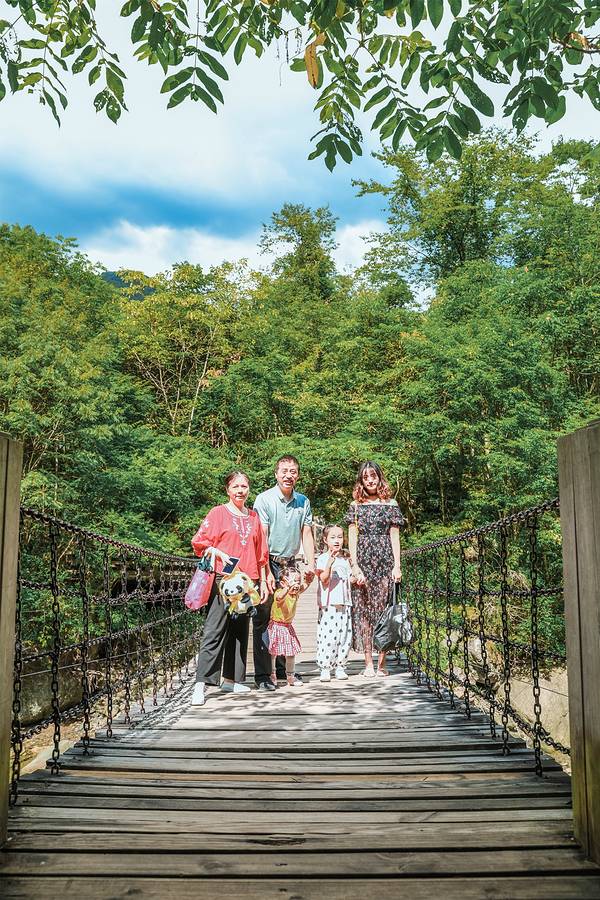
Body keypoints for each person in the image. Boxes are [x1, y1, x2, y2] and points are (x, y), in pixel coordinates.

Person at [189, 471, 269, 706]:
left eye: (244, 486)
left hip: (247, 581)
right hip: (223, 581)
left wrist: (264, 581)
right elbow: (200, 542)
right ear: (228, 490)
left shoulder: (253, 517)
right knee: (214, 629)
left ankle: (231, 679)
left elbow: (261, 553)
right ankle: (201, 683)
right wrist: (216, 552)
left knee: (240, 629)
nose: (240, 490)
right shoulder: (218, 513)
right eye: (235, 486)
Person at [252, 455, 316, 691]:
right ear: (276, 474)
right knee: (263, 617)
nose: (289, 475)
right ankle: (262, 675)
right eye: (284, 471)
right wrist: (265, 571)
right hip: (268, 561)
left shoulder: (303, 501)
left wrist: (310, 564)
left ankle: (281, 670)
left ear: (297, 475)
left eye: (293, 471)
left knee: (283, 617)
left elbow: (306, 533)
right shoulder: (264, 499)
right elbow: (262, 537)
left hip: (290, 565)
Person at [345, 461, 404, 678]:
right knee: (363, 613)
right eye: (366, 477)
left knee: (383, 612)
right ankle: (368, 663)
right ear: (361, 481)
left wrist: (397, 565)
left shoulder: (391, 504)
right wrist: (354, 565)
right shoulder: (356, 505)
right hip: (363, 562)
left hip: (385, 562)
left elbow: (394, 535)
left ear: (379, 477)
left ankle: (382, 663)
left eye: (373, 476)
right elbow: (352, 536)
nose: (370, 480)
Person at [315, 524, 354, 682]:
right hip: (329, 605)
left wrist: (357, 577)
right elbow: (323, 580)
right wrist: (330, 564)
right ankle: (325, 668)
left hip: (345, 603)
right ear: (325, 540)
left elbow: (350, 578)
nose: (337, 540)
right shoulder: (322, 558)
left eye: (340, 537)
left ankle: (340, 666)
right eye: (333, 537)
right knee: (328, 637)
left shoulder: (345, 559)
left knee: (344, 636)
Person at [267, 566, 307, 687]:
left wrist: (308, 581)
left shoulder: (295, 594)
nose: (296, 585)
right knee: (273, 653)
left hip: (287, 627)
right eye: (293, 581)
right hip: (276, 626)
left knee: (291, 653)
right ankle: (272, 674)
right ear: (283, 583)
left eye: (298, 582)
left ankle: (290, 676)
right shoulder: (280, 592)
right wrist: (287, 588)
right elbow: (279, 598)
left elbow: (303, 587)